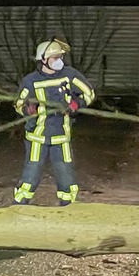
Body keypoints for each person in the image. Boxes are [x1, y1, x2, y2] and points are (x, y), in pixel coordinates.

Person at [13, 38, 96, 206]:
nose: (59, 61)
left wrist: (74, 105)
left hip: (61, 137)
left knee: (65, 174)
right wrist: (29, 109)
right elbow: (18, 103)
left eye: (60, 57)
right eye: (55, 58)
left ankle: (68, 205)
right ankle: (20, 204)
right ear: (43, 59)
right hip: (37, 137)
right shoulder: (31, 81)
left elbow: (89, 93)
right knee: (31, 173)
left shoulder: (70, 76)